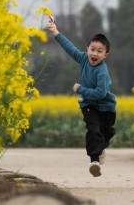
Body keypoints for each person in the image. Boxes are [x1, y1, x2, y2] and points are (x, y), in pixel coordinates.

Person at [47, 19, 116, 177]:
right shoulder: (84, 59)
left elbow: (101, 93)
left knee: (107, 132)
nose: (94, 54)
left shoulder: (102, 72)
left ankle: (101, 148)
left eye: (99, 51)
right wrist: (55, 32)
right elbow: (70, 48)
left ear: (105, 55)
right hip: (88, 104)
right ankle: (94, 162)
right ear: (87, 49)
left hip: (106, 107)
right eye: (92, 49)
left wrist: (81, 89)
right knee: (93, 129)